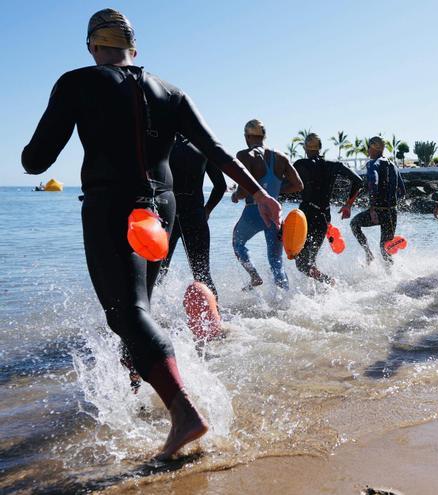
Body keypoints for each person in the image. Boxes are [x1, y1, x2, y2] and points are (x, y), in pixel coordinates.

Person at [21, 9, 282, 461]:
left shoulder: (77, 83)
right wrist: (261, 194)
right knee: (135, 309)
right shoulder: (170, 90)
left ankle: (184, 413)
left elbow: (35, 162)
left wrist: (34, 148)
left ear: (91, 47)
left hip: (114, 208)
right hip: (163, 211)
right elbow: (215, 149)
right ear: (134, 50)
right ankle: (138, 389)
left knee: (127, 311)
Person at [232, 120, 303, 290]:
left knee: (238, 243)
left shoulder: (244, 155)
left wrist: (236, 195)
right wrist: (275, 192)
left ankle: (254, 276)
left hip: (253, 211)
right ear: (264, 136)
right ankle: (286, 300)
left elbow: (243, 189)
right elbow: (298, 185)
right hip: (275, 214)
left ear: (247, 137)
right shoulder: (281, 157)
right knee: (276, 261)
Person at [157, 135, 227, 297]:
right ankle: (216, 318)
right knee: (202, 274)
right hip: (195, 215)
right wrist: (207, 210)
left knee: (157, 273)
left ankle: (150, 318)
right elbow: (221, 186)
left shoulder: (162, 144)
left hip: (166, 217)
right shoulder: (201, 146)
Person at [291, 133, 363, 284]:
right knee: (310, 259)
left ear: (305, 148)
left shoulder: (300, 164)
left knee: (302, 264)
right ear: (320, 148)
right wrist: (348, 205)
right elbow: (358, 181)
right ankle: (320, 292)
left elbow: (286, 184)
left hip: (305, 216)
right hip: (324, 217)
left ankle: (328, 281)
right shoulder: (333, 165)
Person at [350, 136, 406, 265]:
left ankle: (368, 253)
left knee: (354, 224)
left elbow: (373, 183)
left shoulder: (372, 164)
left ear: (374, 148)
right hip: (392, 213)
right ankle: (392, 275)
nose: (368, 151)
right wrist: (391, 203)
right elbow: (402, 191)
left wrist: (373, 208)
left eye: (368, 148)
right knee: (386, 249)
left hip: (379, 211)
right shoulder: (393, 166)